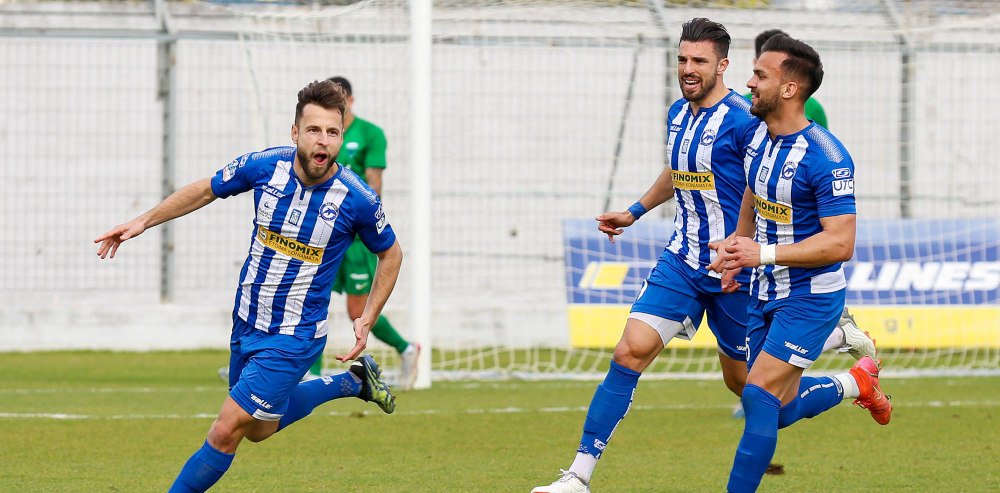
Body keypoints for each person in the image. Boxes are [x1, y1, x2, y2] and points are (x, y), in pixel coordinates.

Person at [530, 19, 875, 493]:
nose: (688, 69)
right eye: (682, 59)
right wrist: (634, 212)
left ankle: (846, 371)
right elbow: (679, 170)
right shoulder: (678, 113)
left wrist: (745, 250)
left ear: (722, 66)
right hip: (684, 261)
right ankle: (578, 476)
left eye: (699, 61)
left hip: (737, 274)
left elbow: (772, 181)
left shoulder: (748, 119)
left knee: (755, 394)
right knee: (629, 351)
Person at [95, 80, 401, 492]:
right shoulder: (265, 166)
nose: (323, 140)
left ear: (341, 138)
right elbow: (205, 189)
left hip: (295, 335)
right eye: (314, 130)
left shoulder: (356, 198)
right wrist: (143, 221)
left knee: (225, 430)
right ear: (295, 133)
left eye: (332, 132)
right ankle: (352, 382)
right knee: (257, 430)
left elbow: (391, 254)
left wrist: (368, 316)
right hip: (247, 322)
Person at [711, 34, 892, 493]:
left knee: (757, 395)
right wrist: (738, 246)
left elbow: (841, 243)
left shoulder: (827, 157)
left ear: (790, 89)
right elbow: (752, 188)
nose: (749, 84)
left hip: (811, 297)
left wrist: (763, 253)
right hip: (764, 289)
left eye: (760, 75)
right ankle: (856, 383)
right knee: (777, 408)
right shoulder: (758, 136)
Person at [317, 75, 420, 390]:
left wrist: (364, 225)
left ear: (350, 101)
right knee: (310, 296)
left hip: (353, 238)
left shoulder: (371, 134)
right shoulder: (321, 136)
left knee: (357, 310)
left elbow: (375, 185)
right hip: (320, 234)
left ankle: (406, 348)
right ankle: (303, 370)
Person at [744, 29, 828, 130]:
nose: (749, 83)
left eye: (762, 76)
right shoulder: (741, 107)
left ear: (789, 89)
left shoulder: (814, 109)